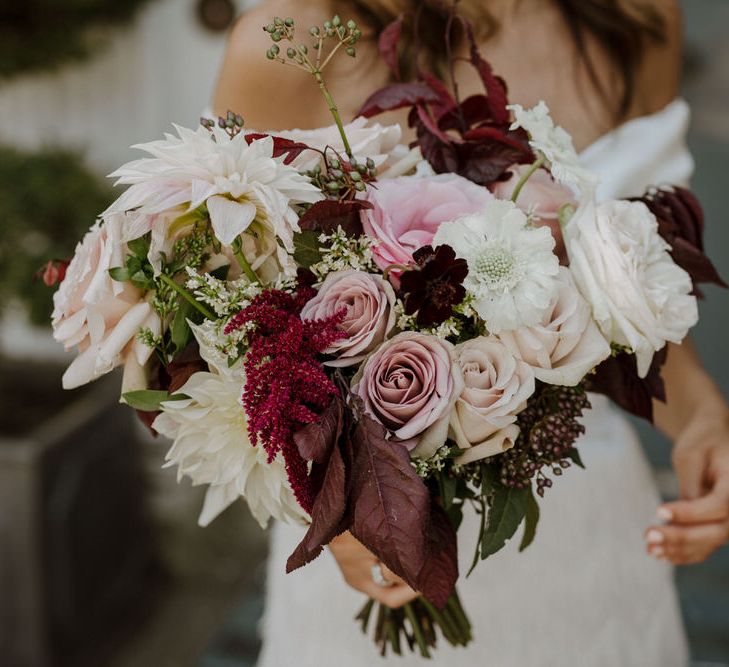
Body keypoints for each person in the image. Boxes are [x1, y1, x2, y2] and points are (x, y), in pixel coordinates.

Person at [213, 1, 729, 664]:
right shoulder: (284, 47)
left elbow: (636, 309)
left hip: (582, 532)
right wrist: (326, 503)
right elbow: (222, 344)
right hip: (367, 559)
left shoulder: (636, 15)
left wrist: (701, 419)